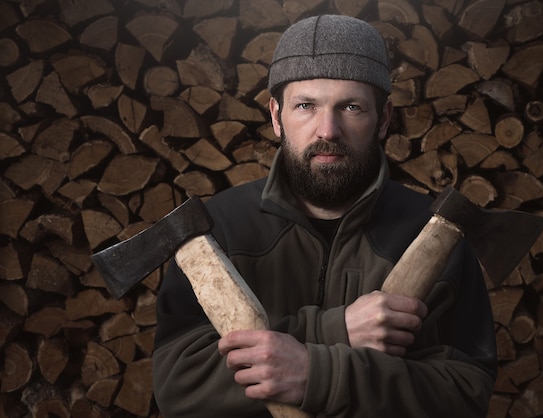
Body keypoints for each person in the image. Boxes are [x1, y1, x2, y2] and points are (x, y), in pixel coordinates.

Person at [153, 14, 496, 418]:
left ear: (383, 118)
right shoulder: (215, 232)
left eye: (350, 106)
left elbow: (466, 393)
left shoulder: (437, 239)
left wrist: (320, 374)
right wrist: (337, 332)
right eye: (305, 106)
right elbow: (178, 384)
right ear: (276, 116)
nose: (327, 130)